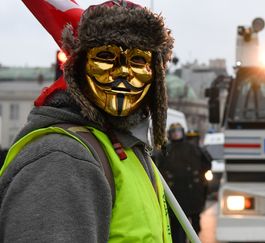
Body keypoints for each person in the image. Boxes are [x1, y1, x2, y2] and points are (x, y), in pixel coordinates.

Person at [0, 1, 174, 242]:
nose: (123, 73)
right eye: (106, 56)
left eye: (137, 61)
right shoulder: (62, 158)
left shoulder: (130, 149)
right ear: (78, 67)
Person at [156, 123, 211, 243]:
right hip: (175, 193)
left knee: (195, 223)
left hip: (193, 193)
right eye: (173, 131)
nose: (176, 133)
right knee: (176, 226)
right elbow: (158, 168)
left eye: (178, 131)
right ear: (170, 134)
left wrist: (202, 180)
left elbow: (206, 163)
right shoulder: (166, 150)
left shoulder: (193, 148)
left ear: (182, 132)